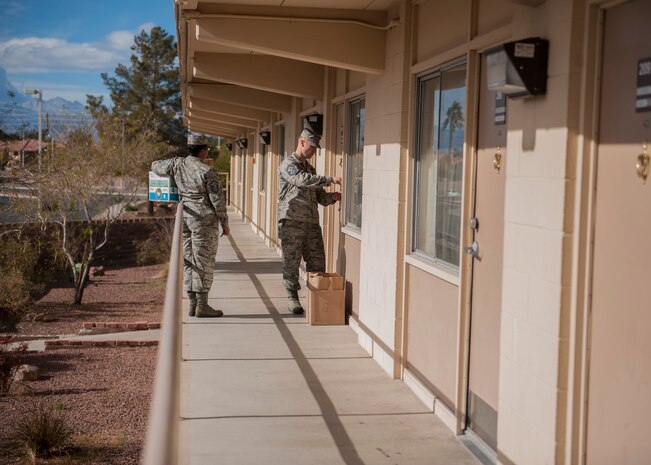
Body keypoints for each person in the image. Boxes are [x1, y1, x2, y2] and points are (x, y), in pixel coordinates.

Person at [151, 133, 230, 318]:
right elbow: (218, 200)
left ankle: (192, 304)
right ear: (203, 150)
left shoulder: (177, 164)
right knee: (203, 261)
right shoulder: (207, 171)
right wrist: (225, 224)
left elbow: (155, 166)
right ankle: (202, 305)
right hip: (204, 220)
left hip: (185, 215)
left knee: (189, 259)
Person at [278, 128, 342, 314]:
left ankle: (317, 300)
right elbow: (301, 180)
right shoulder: (288, 165)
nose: (314, 151)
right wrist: (329, 179)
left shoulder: (311, 169)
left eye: (316, 148)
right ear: (302, 142)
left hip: (312, 224)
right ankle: (293, 299)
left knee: (317, 263)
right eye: (312, 147)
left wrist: (333, 197)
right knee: (291, 262)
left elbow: (320, 196)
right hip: (292, 223)